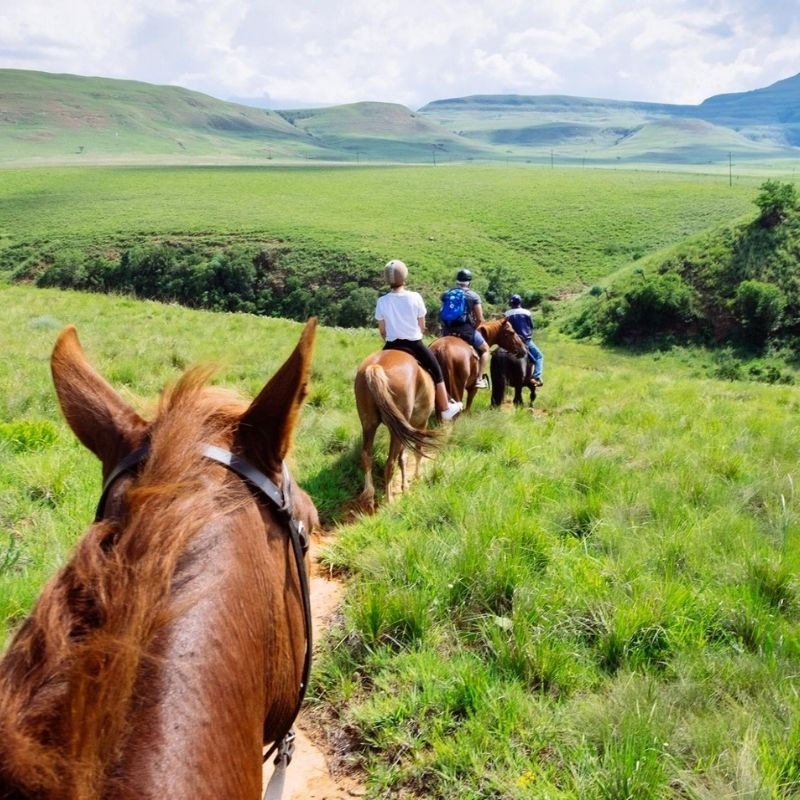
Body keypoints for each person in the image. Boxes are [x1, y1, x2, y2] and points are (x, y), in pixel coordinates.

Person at [375, 259, 463, 421]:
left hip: (391, 345)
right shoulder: (415, 297)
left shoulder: (382, 301)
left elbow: (382, 330)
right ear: (404, 277)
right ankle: (445, 408)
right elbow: (421, 325)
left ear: (387, 280)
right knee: (436, 370)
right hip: (414, 345)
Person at [439, 268, 490, 388]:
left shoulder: (446, 294)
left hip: (447, 330)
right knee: (485, 349)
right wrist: (473, 329)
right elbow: (480, 319)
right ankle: (479, 379)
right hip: (465, 330)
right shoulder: (473, 296)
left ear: (457, 281)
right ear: (469, 282)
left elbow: (441, 313)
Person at [504, 293, 543, 386]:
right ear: (520, 302)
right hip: (526, 340)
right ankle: (536, 377)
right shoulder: (527, 312)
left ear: (511, 303)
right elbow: (531, 326)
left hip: (511, 341)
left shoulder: (506, 314)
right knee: (539, 356)